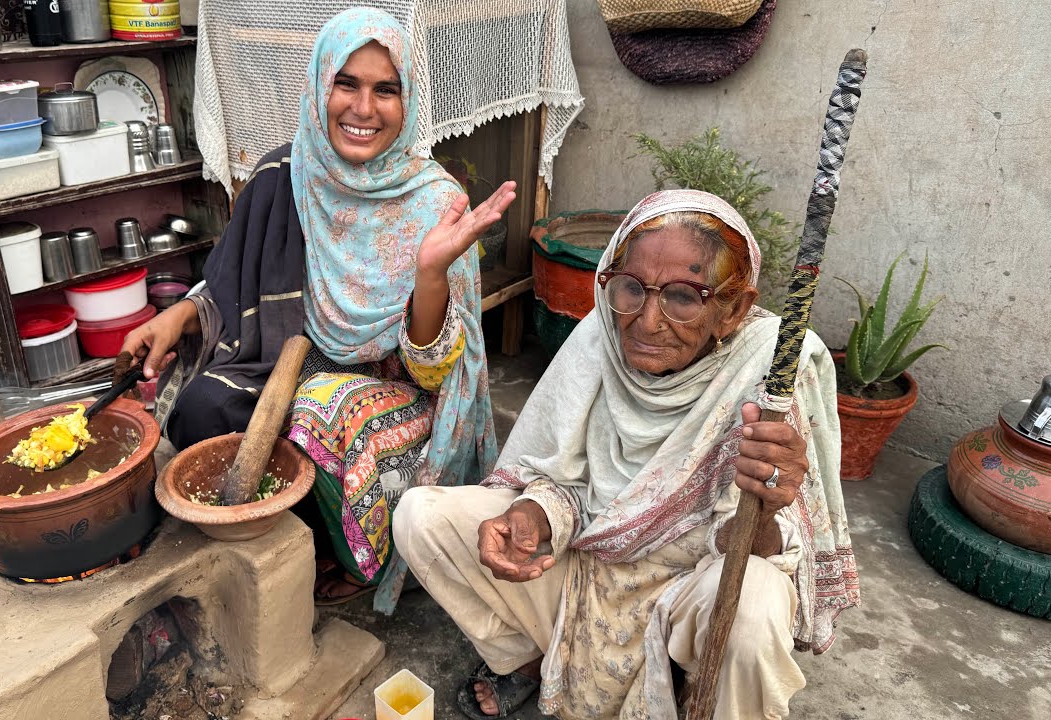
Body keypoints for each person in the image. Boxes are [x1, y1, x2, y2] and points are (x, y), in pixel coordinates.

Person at [393, 189, 860, 719]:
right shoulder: (602, 337)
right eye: (631, 288)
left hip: (690, 598)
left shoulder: (769, 372)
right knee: (420, 516)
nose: (647, 320)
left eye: (684, 296)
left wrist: (768, 508)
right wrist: (533, 515)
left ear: (732, 310)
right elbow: (566, 477)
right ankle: (530, 657)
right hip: (588, 568)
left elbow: (766, 553)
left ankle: (701, 695)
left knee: (756, 605)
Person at [122, 7, 514, 611]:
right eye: (346, 83)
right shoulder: (285, 173)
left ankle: (363, 555)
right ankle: (294, 537)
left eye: (387, 90)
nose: (363, 108)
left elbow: (436, 373)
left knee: (322, 412)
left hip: (394, 387)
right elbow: (235, 278)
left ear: (410, 103)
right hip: (292, 357)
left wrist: (430, 274)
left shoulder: (436, 204)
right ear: (319, 84)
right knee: (203, 408)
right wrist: (179, 315)